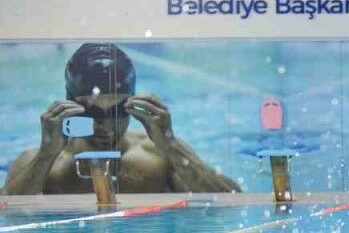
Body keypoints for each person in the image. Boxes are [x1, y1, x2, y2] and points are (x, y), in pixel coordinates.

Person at [1, 43, 239, 195]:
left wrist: (170, 144)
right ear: (69, 106)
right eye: (92, 113)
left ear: (133, 105)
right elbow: (6, 218)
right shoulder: (45, 162)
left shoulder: (158, 155)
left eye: (118, 111)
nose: (106, 126)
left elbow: (232, 202)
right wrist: (46, 155)